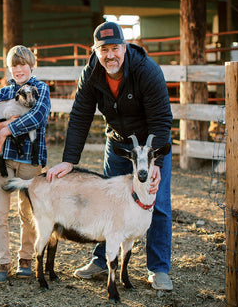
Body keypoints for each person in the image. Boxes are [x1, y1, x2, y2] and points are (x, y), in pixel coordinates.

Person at [46, 21, 174, 291]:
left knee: (157, 202)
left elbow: (162, 120)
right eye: (103, 50)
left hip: (149, 149)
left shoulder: (147, 71)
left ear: (124, 48)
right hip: (118, 145)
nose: (110, 55)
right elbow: (80, 116)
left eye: (115, 48)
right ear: (95, 51)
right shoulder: (91, 74)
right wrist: (70, 159)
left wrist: (157, 162)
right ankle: (102, 260)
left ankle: (158, 268)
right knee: (107, 202)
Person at [0, 45, 51, 283]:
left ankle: (26, 258)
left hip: (30, 161)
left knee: (28, 211)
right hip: (3, 162)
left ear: (31, 65)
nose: (19, 69)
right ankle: (2, 262)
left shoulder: (40, 89)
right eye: (14, 65)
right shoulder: (2, 94)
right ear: (10, 68)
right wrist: (0, 127)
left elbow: (37, 117)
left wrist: (7, 128)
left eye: (23, 65)